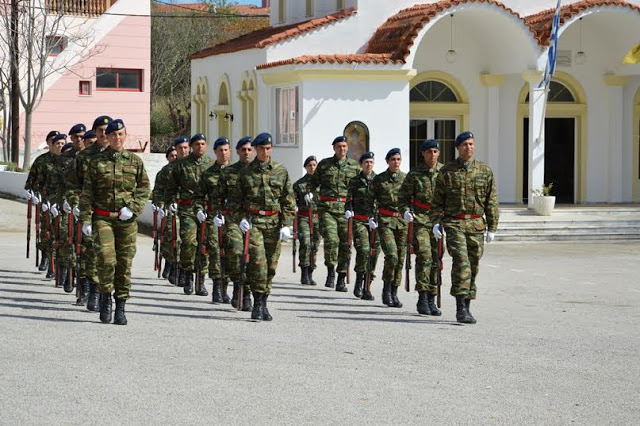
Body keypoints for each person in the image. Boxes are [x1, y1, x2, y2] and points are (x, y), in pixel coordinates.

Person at [79, 119, 150, 325]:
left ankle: (121, 305)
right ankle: (105, 297)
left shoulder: (135, 161)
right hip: (103, 218)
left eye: (120, 134)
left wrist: (134, 208)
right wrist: (86, 219)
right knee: (106, 259)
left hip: (126, 220)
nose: (117, 138)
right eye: (113, 135)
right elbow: (87, 193)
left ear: (125, 136)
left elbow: (144, 188)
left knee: (124, 263)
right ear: (107, 138)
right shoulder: (96, 162)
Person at [430, 131, 499, 324]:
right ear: (458, 148)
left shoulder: (485, 170)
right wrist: (436, 222)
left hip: (476, 224)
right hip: (454, 223)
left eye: (471, 144)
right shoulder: (447, 171)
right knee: (461, 262)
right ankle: (460, 308)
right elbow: (437, 200)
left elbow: (491, 201)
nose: (468, 147)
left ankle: (468, 304)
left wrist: (492, 226)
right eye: (464, 145)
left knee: (473, 264)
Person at [236, 133, 295, 321]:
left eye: (268, 148)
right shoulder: (245, 172)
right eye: (261, 148)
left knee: (270, 265)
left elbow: (288, 200)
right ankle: (258, 302)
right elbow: (235, 201)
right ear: (255, 149)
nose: (264, 151)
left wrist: (286, 224)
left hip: (274, 223)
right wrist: (241, 219)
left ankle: (264, 301)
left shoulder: (280, 171)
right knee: (258, 263)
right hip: (254, 223)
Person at [399, 139, 443, 316]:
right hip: (420, 219)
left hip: (438, 220)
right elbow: (403, 197)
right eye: (429, 152)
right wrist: (406, 212)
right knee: (424, 255)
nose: (432, 155)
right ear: (423, 154)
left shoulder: (444, 172)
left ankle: (432, 297)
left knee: (436, 258)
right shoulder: (415, 174)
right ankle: (422, 297)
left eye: (435, 151)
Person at [310, 136, 360, 291]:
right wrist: (310, 195)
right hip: (327, 209)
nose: (342, 149)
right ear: (334, 148)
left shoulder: (354, 167)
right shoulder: (324, 165)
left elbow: (361, 187)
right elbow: (312, 183)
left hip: (346, 210)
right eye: (339, 146)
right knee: (332, 240)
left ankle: (341, 277)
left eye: (344, 146)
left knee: (346, 243)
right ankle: (331, 270)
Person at [166, 133, 213, 296]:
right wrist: (169, 202)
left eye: (202, 143)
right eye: (197, 144)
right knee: (189, 242)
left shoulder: (211, 164)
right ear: (192, 146)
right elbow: (171, 187)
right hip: (187, 210)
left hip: (206, 210)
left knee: (205, 245)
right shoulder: (181, 165)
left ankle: (201, 279)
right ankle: (187, 274)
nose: (200, 146)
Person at [75, 115, 113, 311]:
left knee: (106, 255)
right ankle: (91, 289)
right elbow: (73, 185)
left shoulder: (117, 155)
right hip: (90, 211)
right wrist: (74, 205)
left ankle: (101, 291)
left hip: (111, 214)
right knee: (90, 252)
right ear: (95, 132)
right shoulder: (84, 156)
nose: (104, 134)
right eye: (100, 130)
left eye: (107, 130)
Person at [217, 137, 255, 310]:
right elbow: (217, 197)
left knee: (253, 258)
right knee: (235, 252)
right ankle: (238, 287)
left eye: (249, 149)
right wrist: (218, 215)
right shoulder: (228, 173)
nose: (246, 152)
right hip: (233, 219)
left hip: (255, 220)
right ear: (238, 152)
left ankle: (246, 292)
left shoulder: (259, 171)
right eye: (243, 150)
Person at [193, 137, 232, 303]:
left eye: (226, 150)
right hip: (213, 218)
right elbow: (198, 197)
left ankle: (226, 286)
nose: (223, 153)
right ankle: (217, 286)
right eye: (220, 150)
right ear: (215, 152)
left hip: (232, 218)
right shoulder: (208, 174)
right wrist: (199, 210)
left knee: (230, 253)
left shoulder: (237, 172)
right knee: (215, 251)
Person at [367, 148, 407, 308]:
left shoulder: (406, 179)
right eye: (393, 160)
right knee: (392, 255)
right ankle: (386, 289)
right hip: (385, 221)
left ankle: (394, 291)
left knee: (401, 258)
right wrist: (371, 217)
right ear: (387, 161)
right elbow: (370, 199)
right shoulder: (379, 179)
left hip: (402, 222)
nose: (396, 162)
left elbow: (411, 198)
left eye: (398, 159)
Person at [24, 130, 59, 273]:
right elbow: (30, 181)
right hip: (44, 201)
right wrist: (30, 192)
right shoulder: (41, 160)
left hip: (61, 202)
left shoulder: (67, 159)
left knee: (59, 232)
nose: (56, 144)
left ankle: (55, 262)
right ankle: (45, 257)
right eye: (53, 141)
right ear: (48, 143)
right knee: (46, 231)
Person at [345, 151, 379, 300]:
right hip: (359, 220)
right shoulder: (354, 181)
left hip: (375, 222)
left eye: (371, 162)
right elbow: (349, 201)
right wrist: (348, 210)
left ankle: (368, 285)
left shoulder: (379, 180)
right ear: (361, 165)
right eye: (366, 162)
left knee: (374, 253)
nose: (369, 164)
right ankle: (359, 280)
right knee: (364, 249)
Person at [161, 136, 191, 285]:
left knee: (187, 241)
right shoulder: (168, 170)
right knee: (172, 237)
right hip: (172, 208)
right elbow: (160, 190)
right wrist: (161, 204)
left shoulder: (194, 165)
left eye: (186, 147)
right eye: (180, 148)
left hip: (190, 209)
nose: (183, 151)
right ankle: (172, 264)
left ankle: (183, 270)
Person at [292, 155, 320, 285]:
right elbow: (292, 202)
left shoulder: (321, 184)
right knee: (305, 243)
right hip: (304, 216)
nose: (312, 168)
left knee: (314, 246)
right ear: (305, 167)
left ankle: (310, 272)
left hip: (317, 217)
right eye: (309, 165)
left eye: (314, 165)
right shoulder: (299, 184)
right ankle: (304, 272)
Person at [152, 144, 177, 279]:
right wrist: (159, 205)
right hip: (167, 208)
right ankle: (168, 261)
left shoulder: (182, 169)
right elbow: (157, 191)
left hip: (181, 207)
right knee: (168, 236)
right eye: (171, 155)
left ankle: (176, 266)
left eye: (175, 155)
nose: (174, 157)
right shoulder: (163, 172)